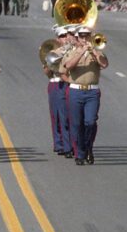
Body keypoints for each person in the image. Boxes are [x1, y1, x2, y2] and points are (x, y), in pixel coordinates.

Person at [62, 27, 108, 166]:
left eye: (87, 36)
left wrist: (93, 51)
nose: (84, 39)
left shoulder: (97, 51)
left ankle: (88, 147)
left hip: (92, 92)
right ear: (77, 38)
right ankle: (80, 153)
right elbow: (68, 66)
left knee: (90, 122)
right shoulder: (72, 52)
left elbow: (104, 64)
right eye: (81, 36)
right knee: (77, 124)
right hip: (76, 91)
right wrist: (81, 52)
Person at [45, 25, 75, 156]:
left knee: (70, 117)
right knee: (58, 116)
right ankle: (60, 144)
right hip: (57, 84)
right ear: (57, 39)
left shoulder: (75, 49)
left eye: (67, 35)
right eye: (62, 36)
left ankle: (69, 144)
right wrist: (49, 63)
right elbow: (47, 72)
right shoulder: (53, 51)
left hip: (72, 84)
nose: (66, 38)